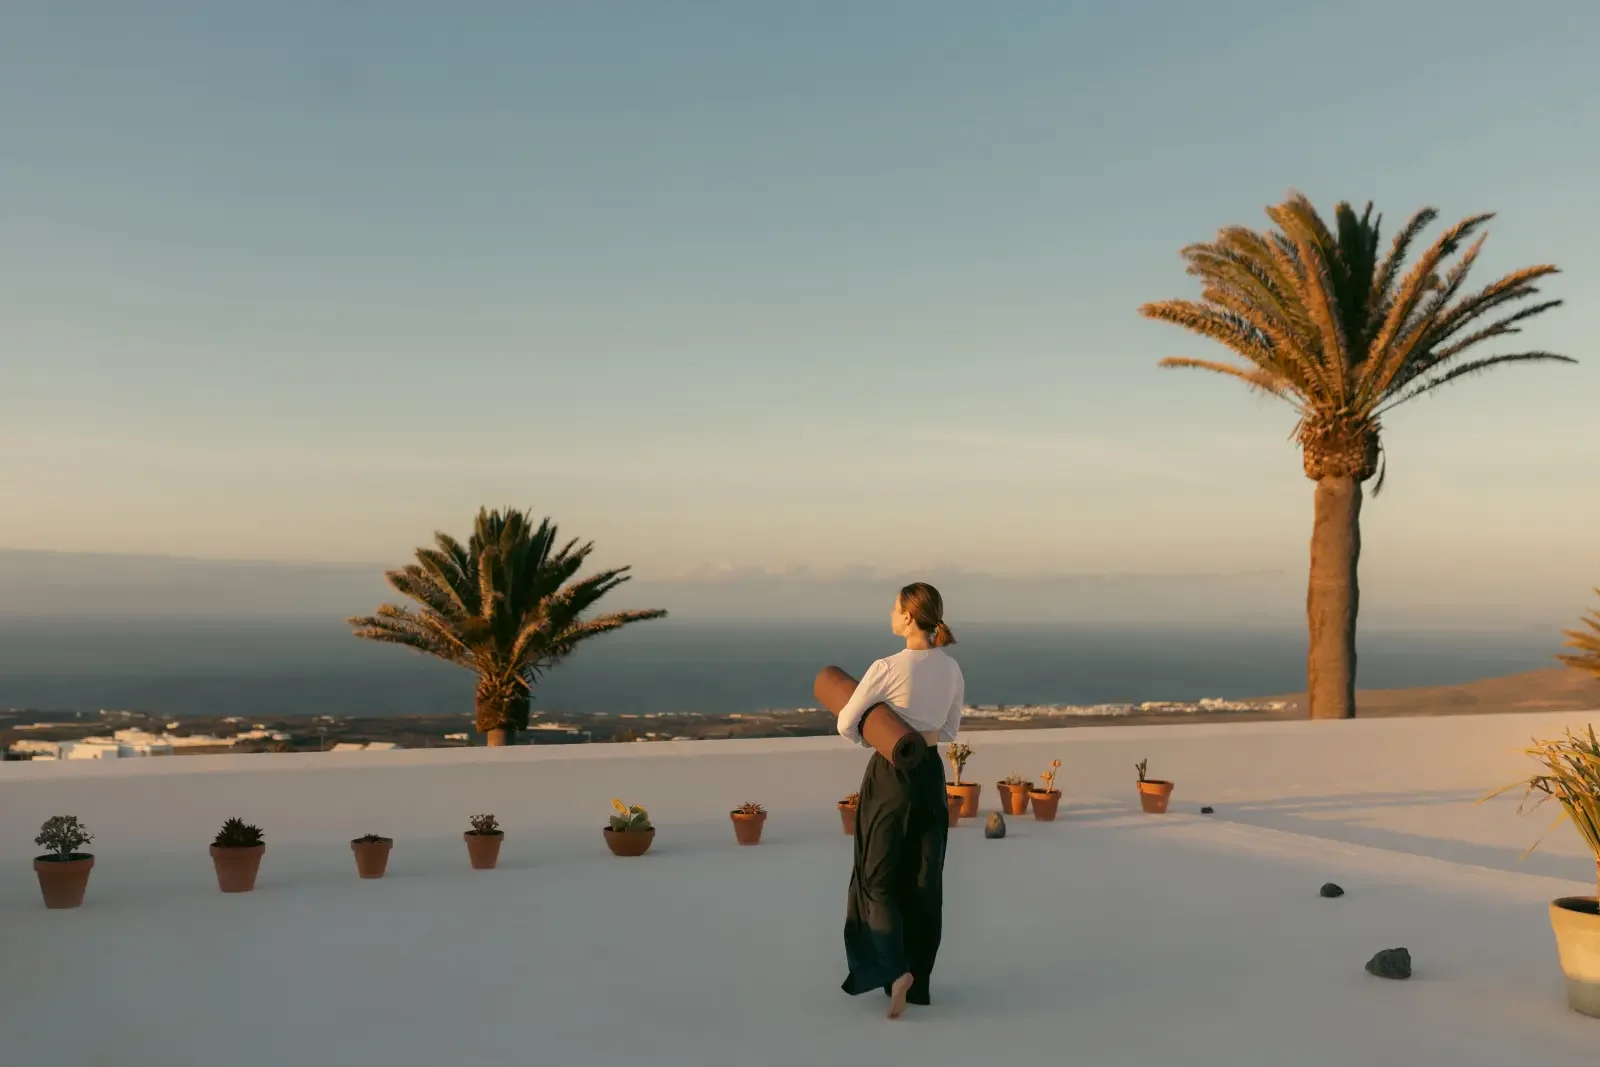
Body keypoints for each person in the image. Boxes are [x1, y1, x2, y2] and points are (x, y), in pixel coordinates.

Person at [834, 581, 964, 1019]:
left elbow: (846, 723)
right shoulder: (951, 669)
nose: (891, 614)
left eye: (894, 608)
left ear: (909, 616)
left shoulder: (886, 667)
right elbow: (949, 731)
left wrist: (881, 732)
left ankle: (896, 968)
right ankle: (920, 982)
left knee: (878, 877)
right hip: (930, 773)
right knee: (926, 880)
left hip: (891, 775)